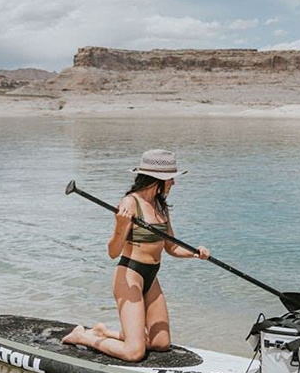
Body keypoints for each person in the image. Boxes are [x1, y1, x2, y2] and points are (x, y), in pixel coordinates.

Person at [62, 149, 209, 362]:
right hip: (129, 276)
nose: (173, 184)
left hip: (151, 276)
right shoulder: (130, 203)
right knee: (134, 353)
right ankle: (83, 336)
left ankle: (105, 333)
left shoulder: (161, 205)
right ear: (156, 179)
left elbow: (171, 247)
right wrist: (121, 225)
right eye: (170, 179)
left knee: (161, 343)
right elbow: (112, 252)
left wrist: (196, 253)